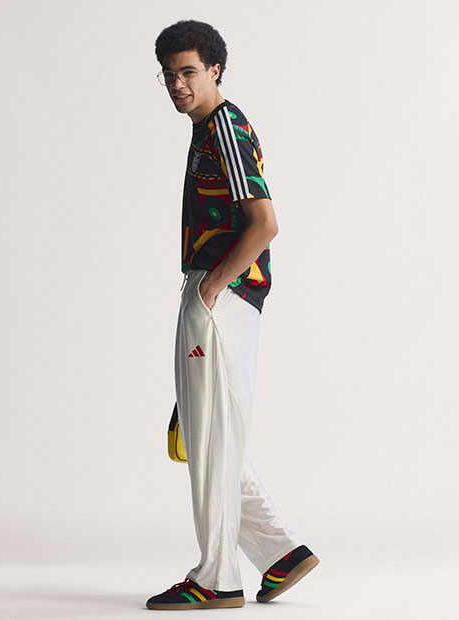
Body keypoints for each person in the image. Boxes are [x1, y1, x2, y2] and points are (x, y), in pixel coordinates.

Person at [146, 20, 319, 611]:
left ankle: (216, 578)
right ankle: (280, 553)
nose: (178, 84)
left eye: (189, 72)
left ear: (215, 69)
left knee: (210, 439)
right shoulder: (209, 128)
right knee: (206, 433)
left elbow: (264, 223)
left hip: (220, 294)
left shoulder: (224, 127)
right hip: (214, 293)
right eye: (169, 74)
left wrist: (214, 288)